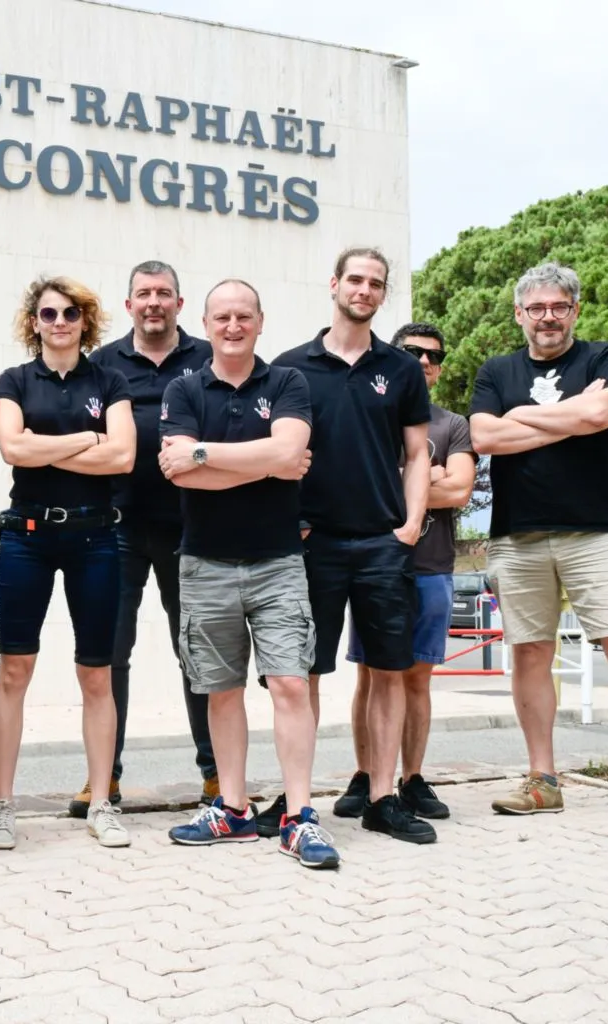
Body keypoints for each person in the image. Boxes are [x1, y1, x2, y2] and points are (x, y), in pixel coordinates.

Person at [470, 262, 608, 842]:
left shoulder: (606, 358)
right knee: (530, 654)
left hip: (602, 532)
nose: (548, 317)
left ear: (575, 310)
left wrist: (523, 417)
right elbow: (485, 437)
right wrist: (573, 418)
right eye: (537, 308)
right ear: (519, 313)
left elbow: (600, 413)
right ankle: (543, 779)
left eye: (559, 307)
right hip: (519, 537)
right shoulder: (496, 371)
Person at [158, 281, 338, 869]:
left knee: (290, 684)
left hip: (278, 562)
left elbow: (289, 454)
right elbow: (180, 473)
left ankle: (299, 817)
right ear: (206, 324)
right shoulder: (183, 388)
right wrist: (266, 463)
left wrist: (203, 453)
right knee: (221, 688)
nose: (233, 326)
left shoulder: (287, 383)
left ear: (260, 322)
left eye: (243, 316)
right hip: (205, 563)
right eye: (222, 317)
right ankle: (233, 809)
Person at [270, 248, 434, 844]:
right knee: (303, 676)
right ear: (334, 284)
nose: (364, 290)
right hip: (312, 545)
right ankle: (297, 801)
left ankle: (383, 799)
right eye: (355, 279)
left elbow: (418, 454)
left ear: (383, 294)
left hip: (382, 544)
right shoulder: (290, 368)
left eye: (376, 283)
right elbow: (277, 455)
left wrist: (410, 525)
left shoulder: (402, 369)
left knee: (388, 671)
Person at [0, 276, 136, 851]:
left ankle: (101, 803)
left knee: (96, 674)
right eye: (49, 314)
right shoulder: (14, 380)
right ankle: (3, 807)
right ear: (35, 323)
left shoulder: (110, 380)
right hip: (26, 537)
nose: (60, 322)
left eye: (70, 313)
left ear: (84, 320)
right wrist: (87, 439)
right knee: (13, 671)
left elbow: (123, 456)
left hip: (95, 539)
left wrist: (47, 446)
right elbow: (12, 449)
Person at [81, 261, 215, 816]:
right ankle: (103, 778)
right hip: (116, 528)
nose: (153, 302)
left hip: (195, 528)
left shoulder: (209, 356)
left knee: (200, 654)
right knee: (109, 655)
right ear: (129, 304)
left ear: (180, 304)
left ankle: (216, 774)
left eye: (164, 293)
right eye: (144, 294)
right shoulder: (102, 363)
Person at [342, 323, 475, 821]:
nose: (423, 362)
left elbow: (460, 490)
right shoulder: (370, 415)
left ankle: (412, 778)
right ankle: (364, 775)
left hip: (430, 566)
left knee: (418, 678)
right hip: (372, 564)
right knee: (370, 676)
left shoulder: (452, 425)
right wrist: (424, 476)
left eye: (433, 356)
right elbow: (357, 484)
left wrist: (401, 481)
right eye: (412, 352)